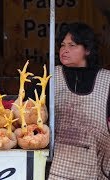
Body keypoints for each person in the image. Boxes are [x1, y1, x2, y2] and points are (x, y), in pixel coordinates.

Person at [48, 22, 110, 179]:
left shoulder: (107, 79)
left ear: (87, 50)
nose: (64, 50)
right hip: (58, 162)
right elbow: (27, 105)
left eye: (72, 45)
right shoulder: (51, 76)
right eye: (62, 45)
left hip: (96, 163)